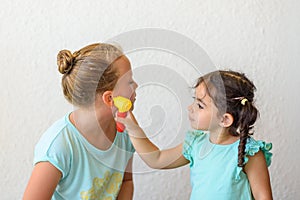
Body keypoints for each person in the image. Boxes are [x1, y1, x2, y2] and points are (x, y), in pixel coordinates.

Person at [117, 70, 273, 200]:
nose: (190, 108)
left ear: (224, 119)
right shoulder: (195, 144)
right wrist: (133, 128)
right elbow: (157, 159)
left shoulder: (249, 152)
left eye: (200, 105)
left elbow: (263, 197)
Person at [23, 43, 138, 200]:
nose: (136, 85)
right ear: (110, 98)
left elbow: (126, 180)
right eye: (130, 81)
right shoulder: (59, 145)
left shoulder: (125, 132)